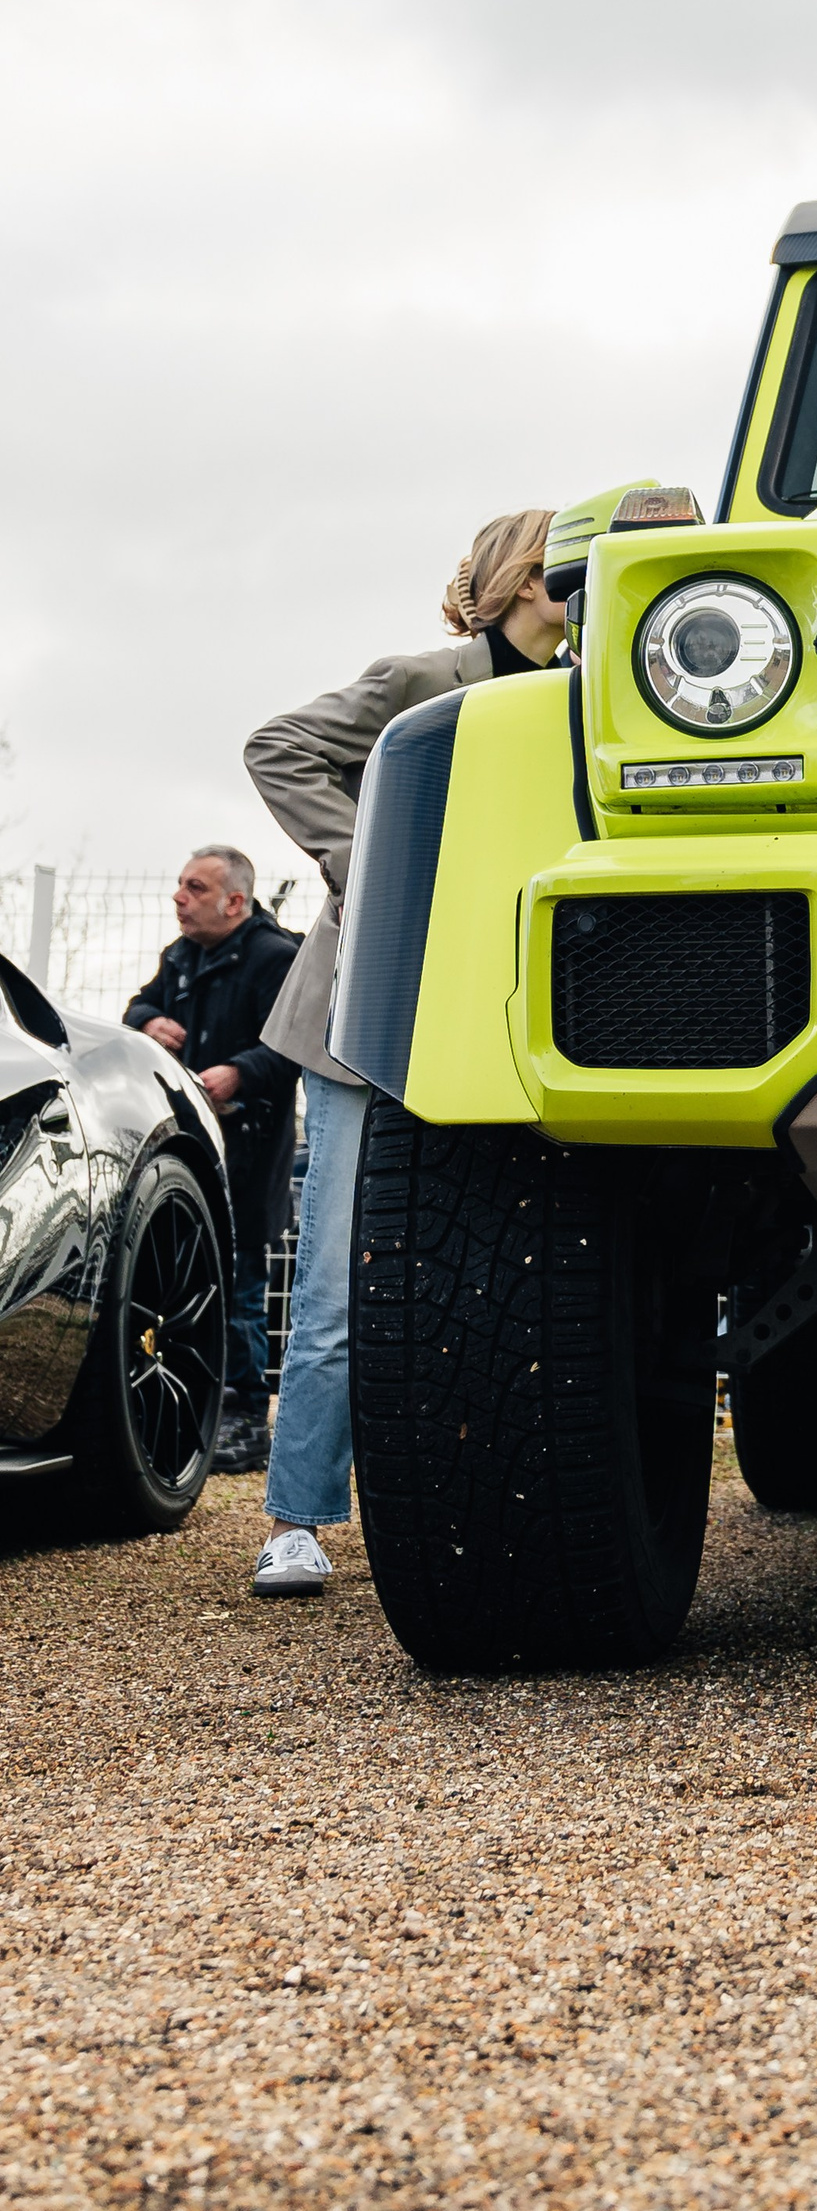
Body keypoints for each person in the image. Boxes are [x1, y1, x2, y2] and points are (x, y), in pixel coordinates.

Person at [241, 509, 562, 1597]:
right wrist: (363, 861)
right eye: (573, 569)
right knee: (335, 1279)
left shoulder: (584, 697)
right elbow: (276, 744)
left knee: (483, 1278)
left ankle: (477, 1506)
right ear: (526, 581)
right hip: (368, 1016)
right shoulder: (422, 680)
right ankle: (296, 1520)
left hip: (501, 1019)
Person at [122, 847, 303, 1474]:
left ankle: (248, 1420)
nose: (178, 896)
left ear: (235, 901)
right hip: (193, 1160)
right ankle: (194, 1412)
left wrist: (237, 1073)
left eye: (194, 887)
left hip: (249, 1163)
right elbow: (135, 1008)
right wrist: (149, 1022)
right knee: (186, 1293)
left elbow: (292, 1050)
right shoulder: (180, 957)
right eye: (178, 884)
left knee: (242, 1296)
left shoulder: (275, 960)